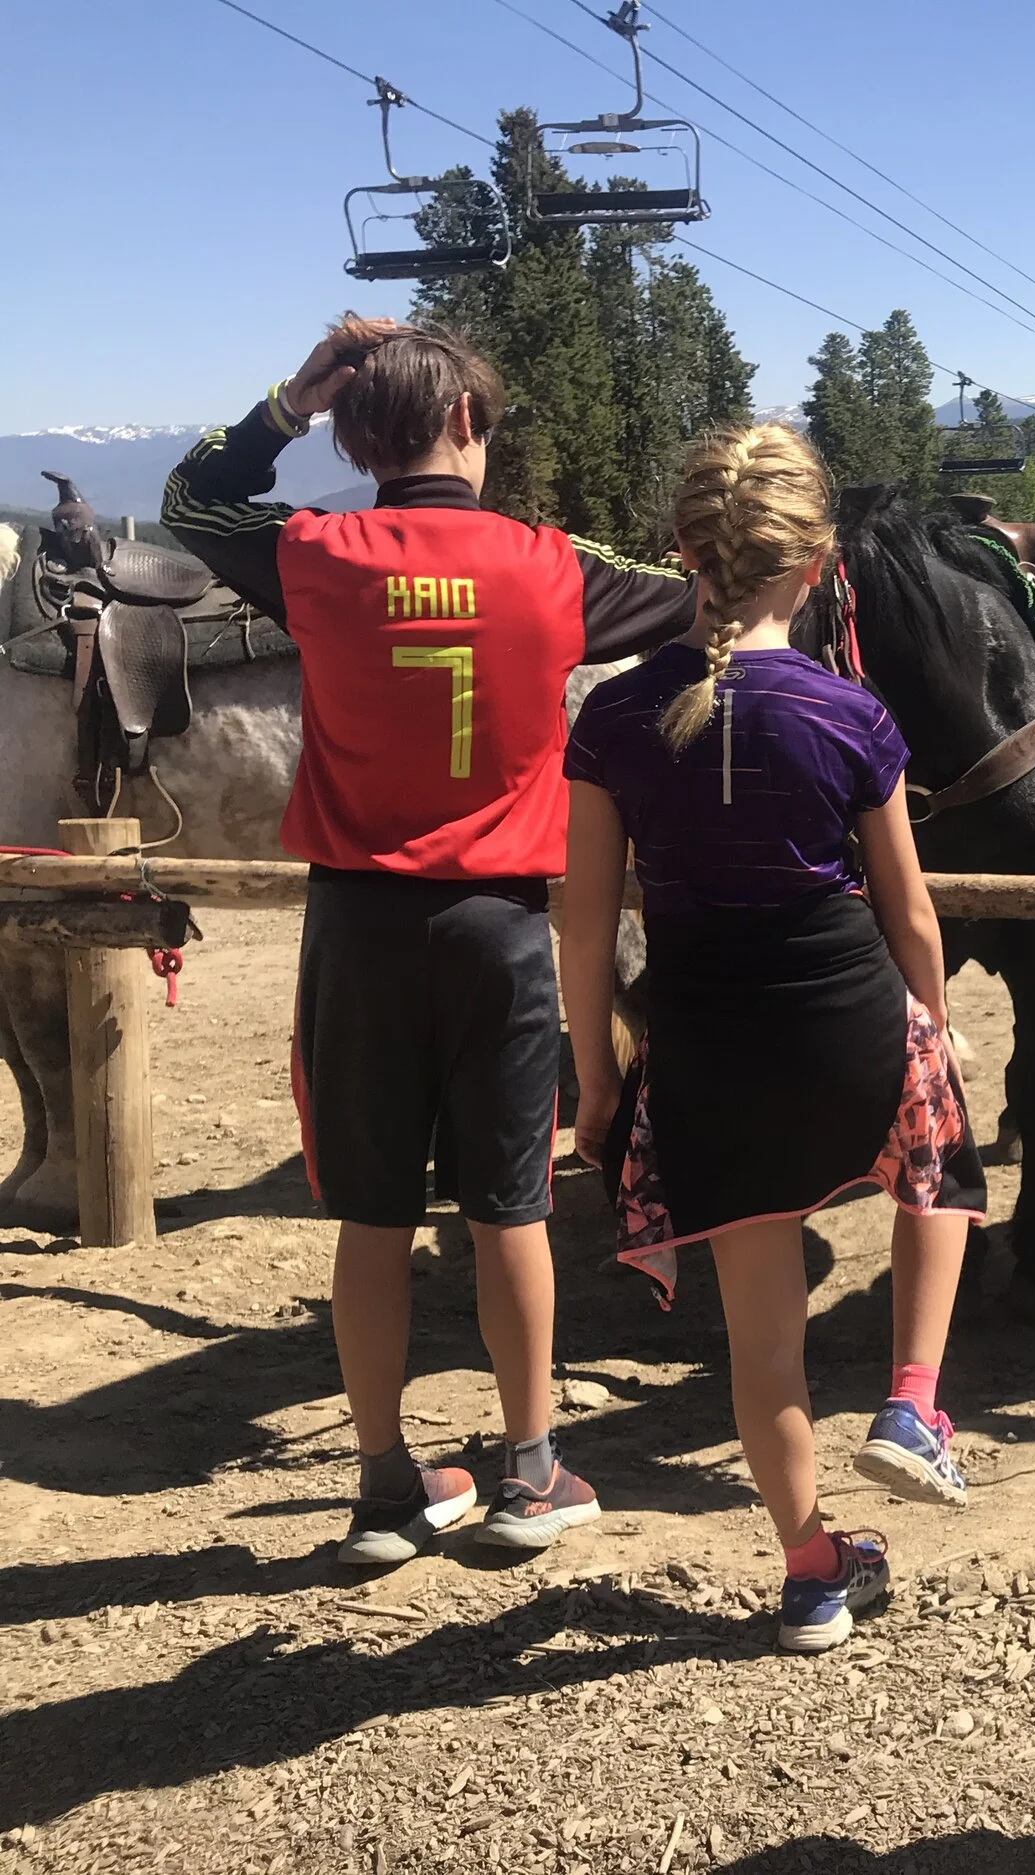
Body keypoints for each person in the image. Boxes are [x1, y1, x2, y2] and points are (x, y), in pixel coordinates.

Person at [163, 318, 698, 1565]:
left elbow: (193, 501)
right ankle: (531, 1472)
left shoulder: (314, 554)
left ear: (355, 432)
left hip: (357, 929)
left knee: (370, 1217)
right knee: (511, 1208)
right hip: (501, 929)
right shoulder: (551, 565)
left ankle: (383, 1490)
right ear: (465, 420)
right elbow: (698, 592)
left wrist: (287, 404)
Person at [561, 423, 985, 1653]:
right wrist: (934, 1028)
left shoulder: (615, 715)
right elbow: (909, 913)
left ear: (682, 551)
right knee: (940, 1173)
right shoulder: (848, 711)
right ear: (817, 564)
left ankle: (811, 1572)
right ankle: (913, 1403)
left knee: (762, 1338)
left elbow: (584, 924)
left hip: (706, 1037)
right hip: (845, 1010)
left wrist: (598, 1084)